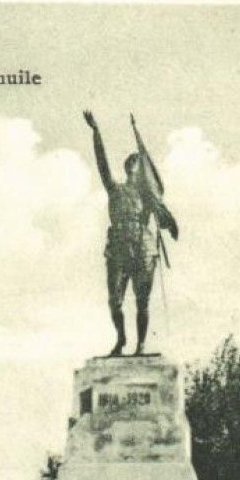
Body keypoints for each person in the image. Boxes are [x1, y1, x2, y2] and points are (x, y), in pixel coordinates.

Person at [83, 110, 178, 356]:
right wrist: (96, 132)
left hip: (142, 248)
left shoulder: (148, 197)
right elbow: (102, 164)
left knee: (142, 301)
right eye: (129, 162)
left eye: (136, 162)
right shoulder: (115, 189)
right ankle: (121, 339)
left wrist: (167, 220)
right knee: (114, 301)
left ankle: (141, 345)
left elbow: (165, 217)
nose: (131, 165)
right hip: (117, 249)